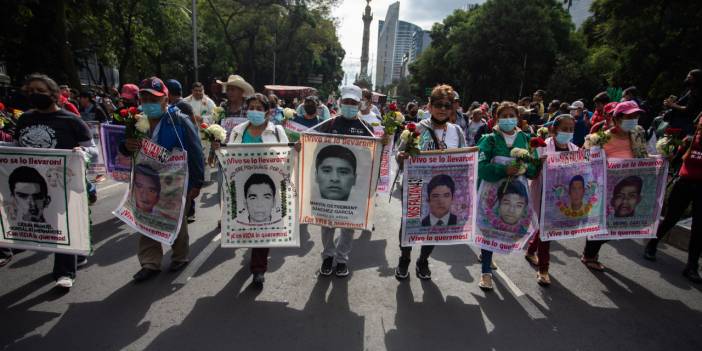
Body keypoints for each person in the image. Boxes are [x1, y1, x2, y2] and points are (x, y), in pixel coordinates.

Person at [13, 73, 99, 289]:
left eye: (39, 91)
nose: (34, 95)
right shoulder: (24, 119)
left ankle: (65, 272)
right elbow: (16, 149)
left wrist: (82, 152)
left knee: (63, 225)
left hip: (62, 183)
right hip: (31, 181)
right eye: (30, 91)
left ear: (54, 95)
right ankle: (76, 253)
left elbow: (93, 151)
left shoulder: (71, 121)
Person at [121, 76, 204, 282]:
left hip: (176, 181)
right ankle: (150, 262)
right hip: (145, 179)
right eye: (145, 99)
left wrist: (196, 183)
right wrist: (126, 146)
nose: (149, 104)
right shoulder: (135, 122)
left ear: (165, 100)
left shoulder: (179, 121)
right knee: (146, 218)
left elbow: (195, 151)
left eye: (154, 99)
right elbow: (123, 147)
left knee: (175, 221)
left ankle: (180, 256)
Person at [395, 84, 467, 281]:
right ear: (429, 105)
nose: (442, 109)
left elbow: (465, 157)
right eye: (438, 104)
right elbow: (398, 155)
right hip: (416, 185)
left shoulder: (457, 131)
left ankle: (423, 260)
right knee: (409, 224)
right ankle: (404, 258)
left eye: (447, 105)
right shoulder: (415, 129)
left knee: (435, 225)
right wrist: (402, 157)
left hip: (442, 188)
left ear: (452, 108)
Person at [222, 93, 288, 287]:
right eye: (252, 107)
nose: (255, 111)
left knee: (262, 227)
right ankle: (254, 257)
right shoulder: (237, 131)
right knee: (245, 224)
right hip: (241, 186)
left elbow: (286, 158)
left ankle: (258, 269)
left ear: (267, 112)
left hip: (267, 185)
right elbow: (229, 156)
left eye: (260, 108)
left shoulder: (276, 131)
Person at [310, 85, 375, 278]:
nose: (349, 105)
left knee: (348, 225)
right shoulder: (328, 124)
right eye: (346, 102)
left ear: (359, 104)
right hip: (328, 186)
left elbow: (374, 156)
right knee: (327, 224)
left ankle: (342, 259)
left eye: (353, 103)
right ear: (340, 102)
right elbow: (314, 148)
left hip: (354, 187)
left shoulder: (366, 129)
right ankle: (328, 256)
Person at [476, 100, 538, 290]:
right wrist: (504, 169)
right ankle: (485, 272)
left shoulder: (525, 138)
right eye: (504, 116)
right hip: (491, 195)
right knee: (489, 230)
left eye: (512, 116)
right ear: (497, 118)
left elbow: (533, 169)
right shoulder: (489, 139)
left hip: (516, 195)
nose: (508, 119)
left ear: (518, 118)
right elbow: (482, 168)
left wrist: (527, 167)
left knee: (507, 228)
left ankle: (490, 255)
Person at [581, 100, 648, 271]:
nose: (634, 120)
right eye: (629, 116)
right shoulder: (599, 139)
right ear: (617, 118)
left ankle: (591, 248)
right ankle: (589, 255)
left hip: (629, 188)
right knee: (604, 225)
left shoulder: (637, 134)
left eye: (636, 116)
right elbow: (585, 161)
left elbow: (644, 157)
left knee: (617, 227)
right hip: (606, 190)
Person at [644, 113, 702, 282]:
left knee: (699, 228)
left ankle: (692, 267)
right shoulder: (688, 141)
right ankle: (652, 245)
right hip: (684, 184)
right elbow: (672, 160)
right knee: (670, 219)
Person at [525, 114, 578, 285]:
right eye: (564, 129)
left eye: (571, 129)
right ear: (554, 130)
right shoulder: (542, 148)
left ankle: (530, 250)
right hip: (543, 195)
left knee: (546, 229)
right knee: (547, 232)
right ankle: (543, 269)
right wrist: (539, 163)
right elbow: (531, 172)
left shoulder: (576, 150)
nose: (568, 132)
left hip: (562, 199)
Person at [663, 69, 702, 136]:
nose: (688, 77)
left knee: (670, 143)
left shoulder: (697, 92)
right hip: (678, 120)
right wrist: (671, 103)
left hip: (682, 123)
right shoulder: (689, 88)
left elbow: (688, 109)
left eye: (690, 76)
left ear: (696, 79)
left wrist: (672, 105)